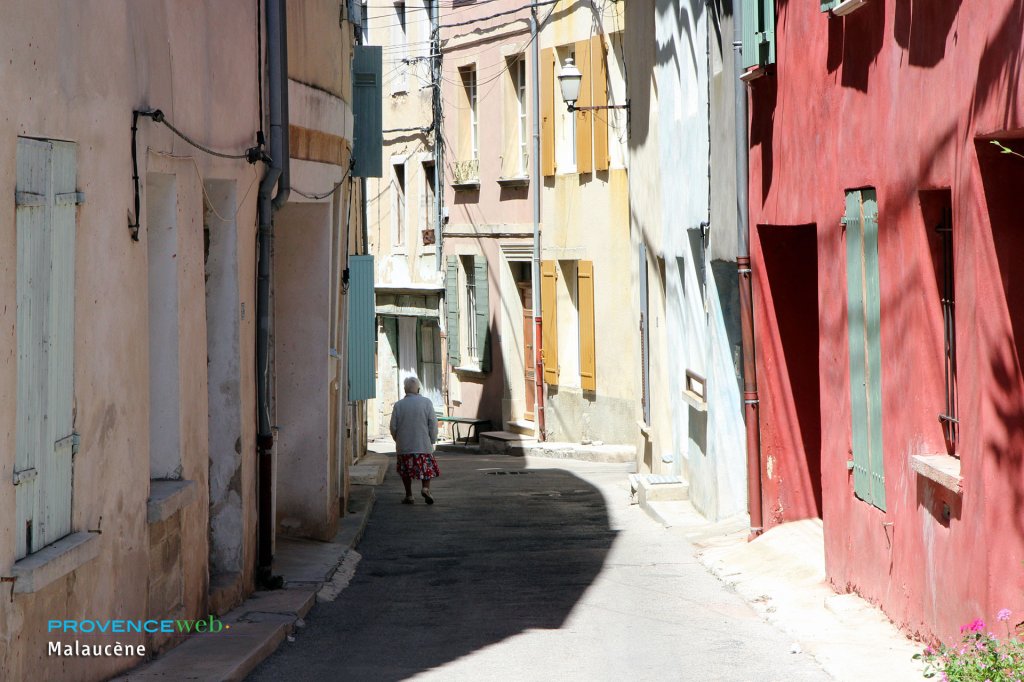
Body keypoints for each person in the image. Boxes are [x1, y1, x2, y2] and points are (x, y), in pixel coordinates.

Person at [390, 376, 440, 504]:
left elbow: (393, 426)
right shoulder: (426, 402)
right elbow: (433, 423)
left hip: (404, 446)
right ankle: (425, 488)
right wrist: (432, 439)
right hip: (422, 444)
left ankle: (409, 495)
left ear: (405, 389)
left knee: (405, 471)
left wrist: (398, 439)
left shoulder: (398, 405)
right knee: (425, 469)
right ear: (418, 389)